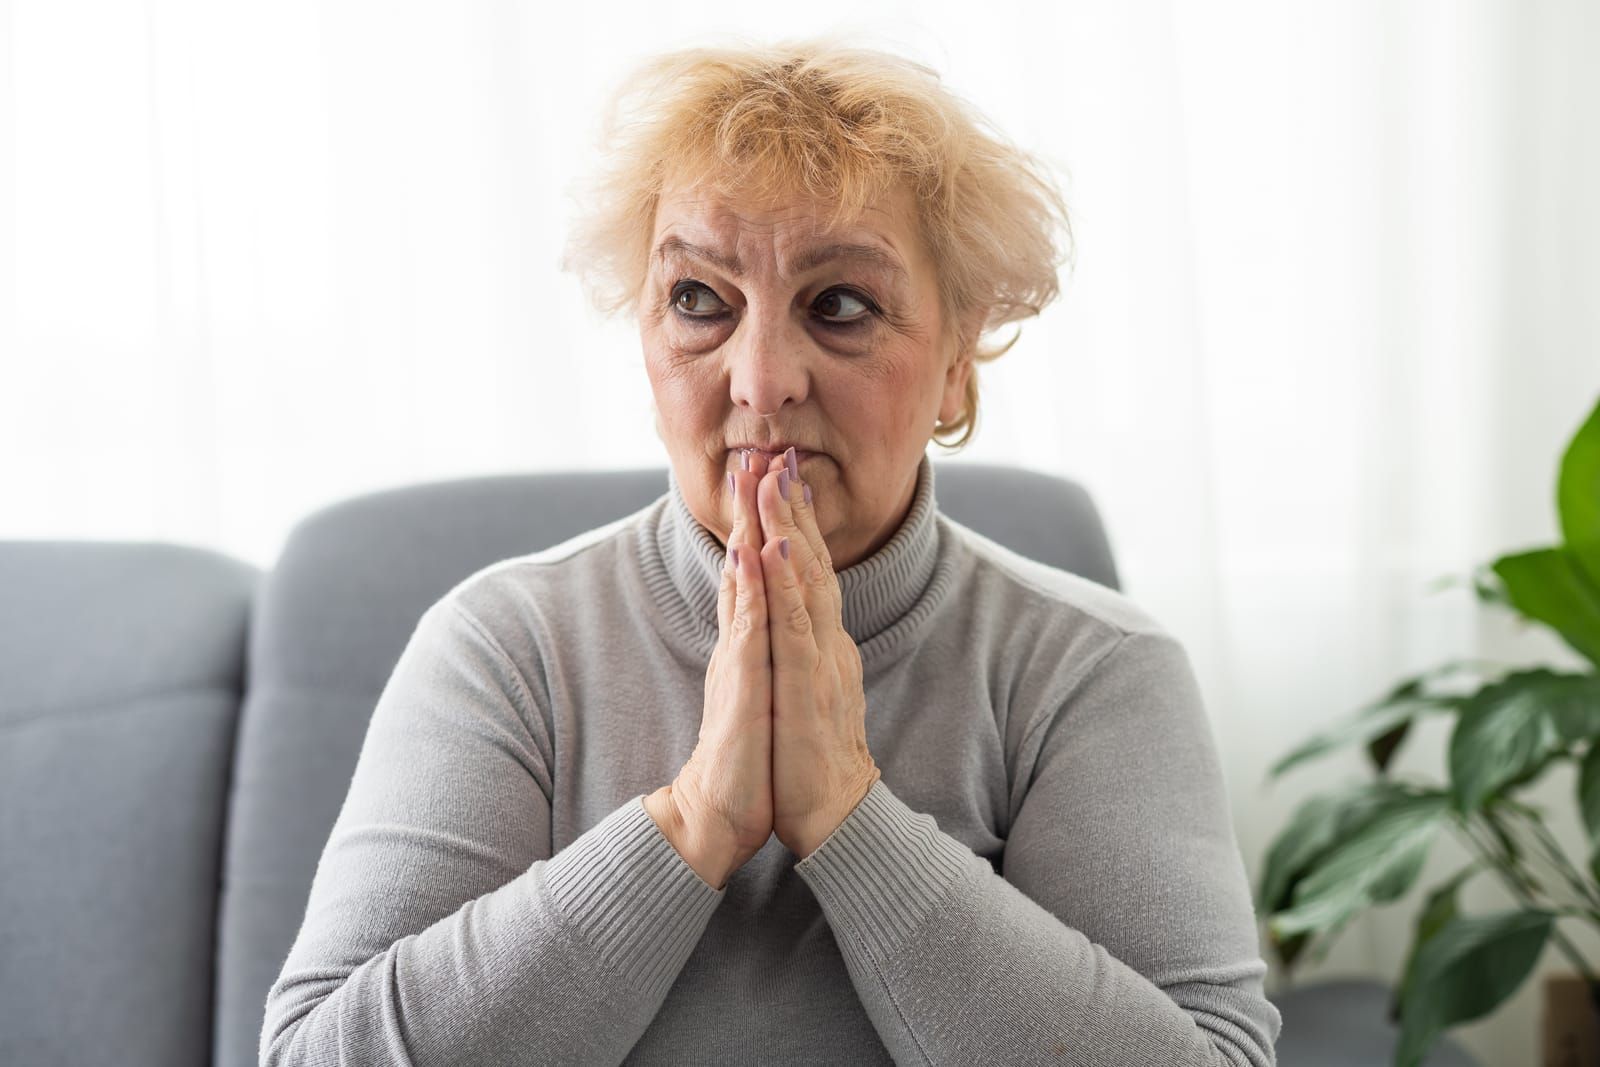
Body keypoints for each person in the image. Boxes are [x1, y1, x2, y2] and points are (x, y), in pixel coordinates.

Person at [260, 35, 1282, 1067]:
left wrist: (845, 811)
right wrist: (696, 816)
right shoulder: (505, 645)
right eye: (699, 300)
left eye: (839, 305)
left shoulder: (1092, 668)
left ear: (957, 368)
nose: (759, 380)